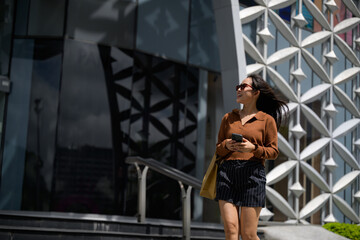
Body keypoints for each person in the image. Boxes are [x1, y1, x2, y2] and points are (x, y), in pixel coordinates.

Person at [215, 74, 288, 240]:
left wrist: (253, 148)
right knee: (231, 231)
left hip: (253, 175)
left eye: (243, 86)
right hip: (226, 174)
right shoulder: (228, 118)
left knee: (248, 234)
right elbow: (218, 150)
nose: (238, 90)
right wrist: (226, 145)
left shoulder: (266, 120)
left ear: (256, 93)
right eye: (238, 87)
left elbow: (273, 152)